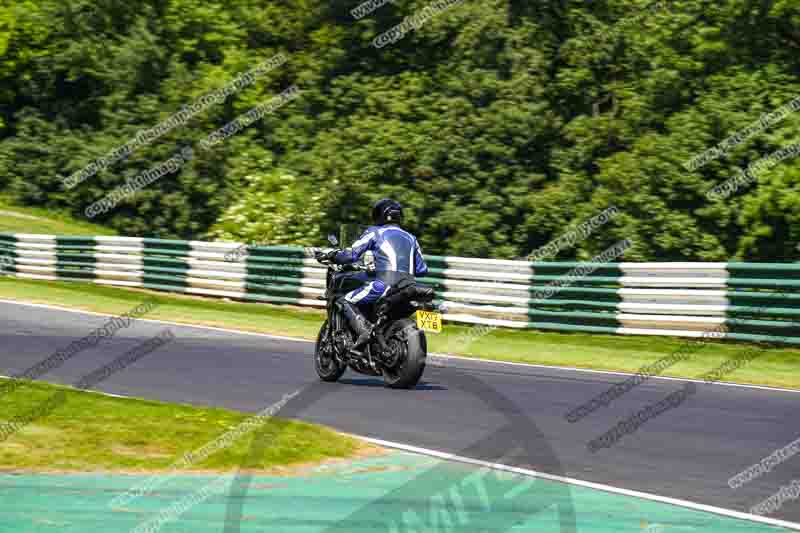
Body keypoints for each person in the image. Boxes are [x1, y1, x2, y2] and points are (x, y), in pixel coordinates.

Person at [317, 198, 428, 349]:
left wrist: (332, 255)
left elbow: (351, 255)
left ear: (379, 215)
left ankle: (363, 331)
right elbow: (422, 270)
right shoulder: (412, 238)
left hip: (384, 283)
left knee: (344, 300)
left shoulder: (374, 232)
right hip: (408, 285)